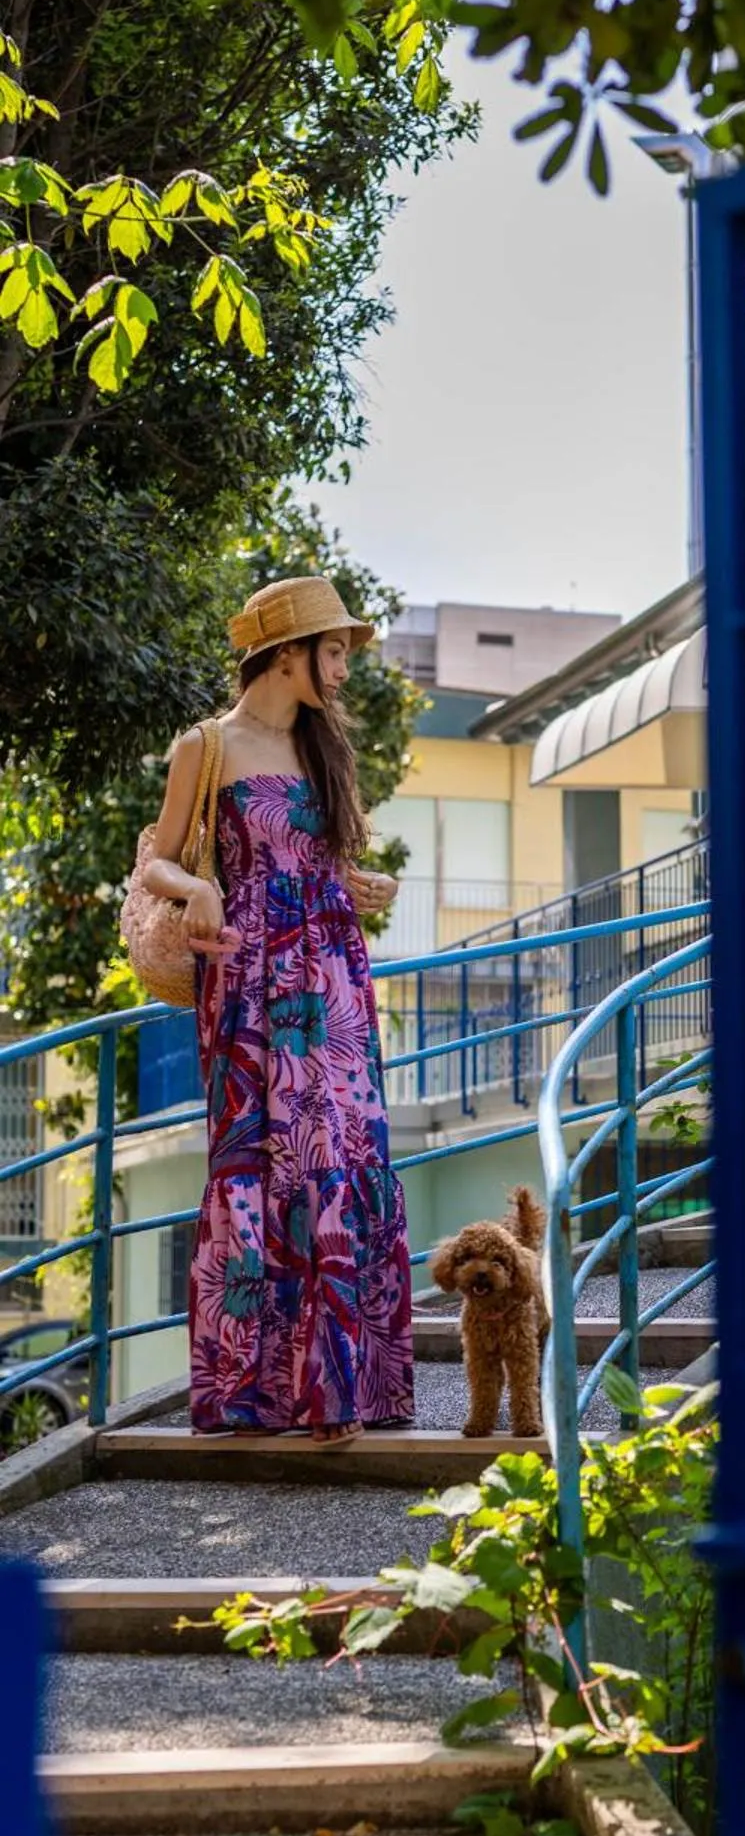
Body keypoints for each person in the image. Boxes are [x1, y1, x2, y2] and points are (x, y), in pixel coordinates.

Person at [144, 576, 416, 1441]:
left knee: (343, 1146)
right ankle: (253, 1390)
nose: (341, 668)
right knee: (259, 1160)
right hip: (248, 980)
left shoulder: (323, 747)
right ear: (287, 653)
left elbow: (322, 860)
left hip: (332, 970)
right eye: (332, 650)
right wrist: (197, 888)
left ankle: (341, 1389)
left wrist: (358, 884)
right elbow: (156, 860)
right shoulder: (207, 744)